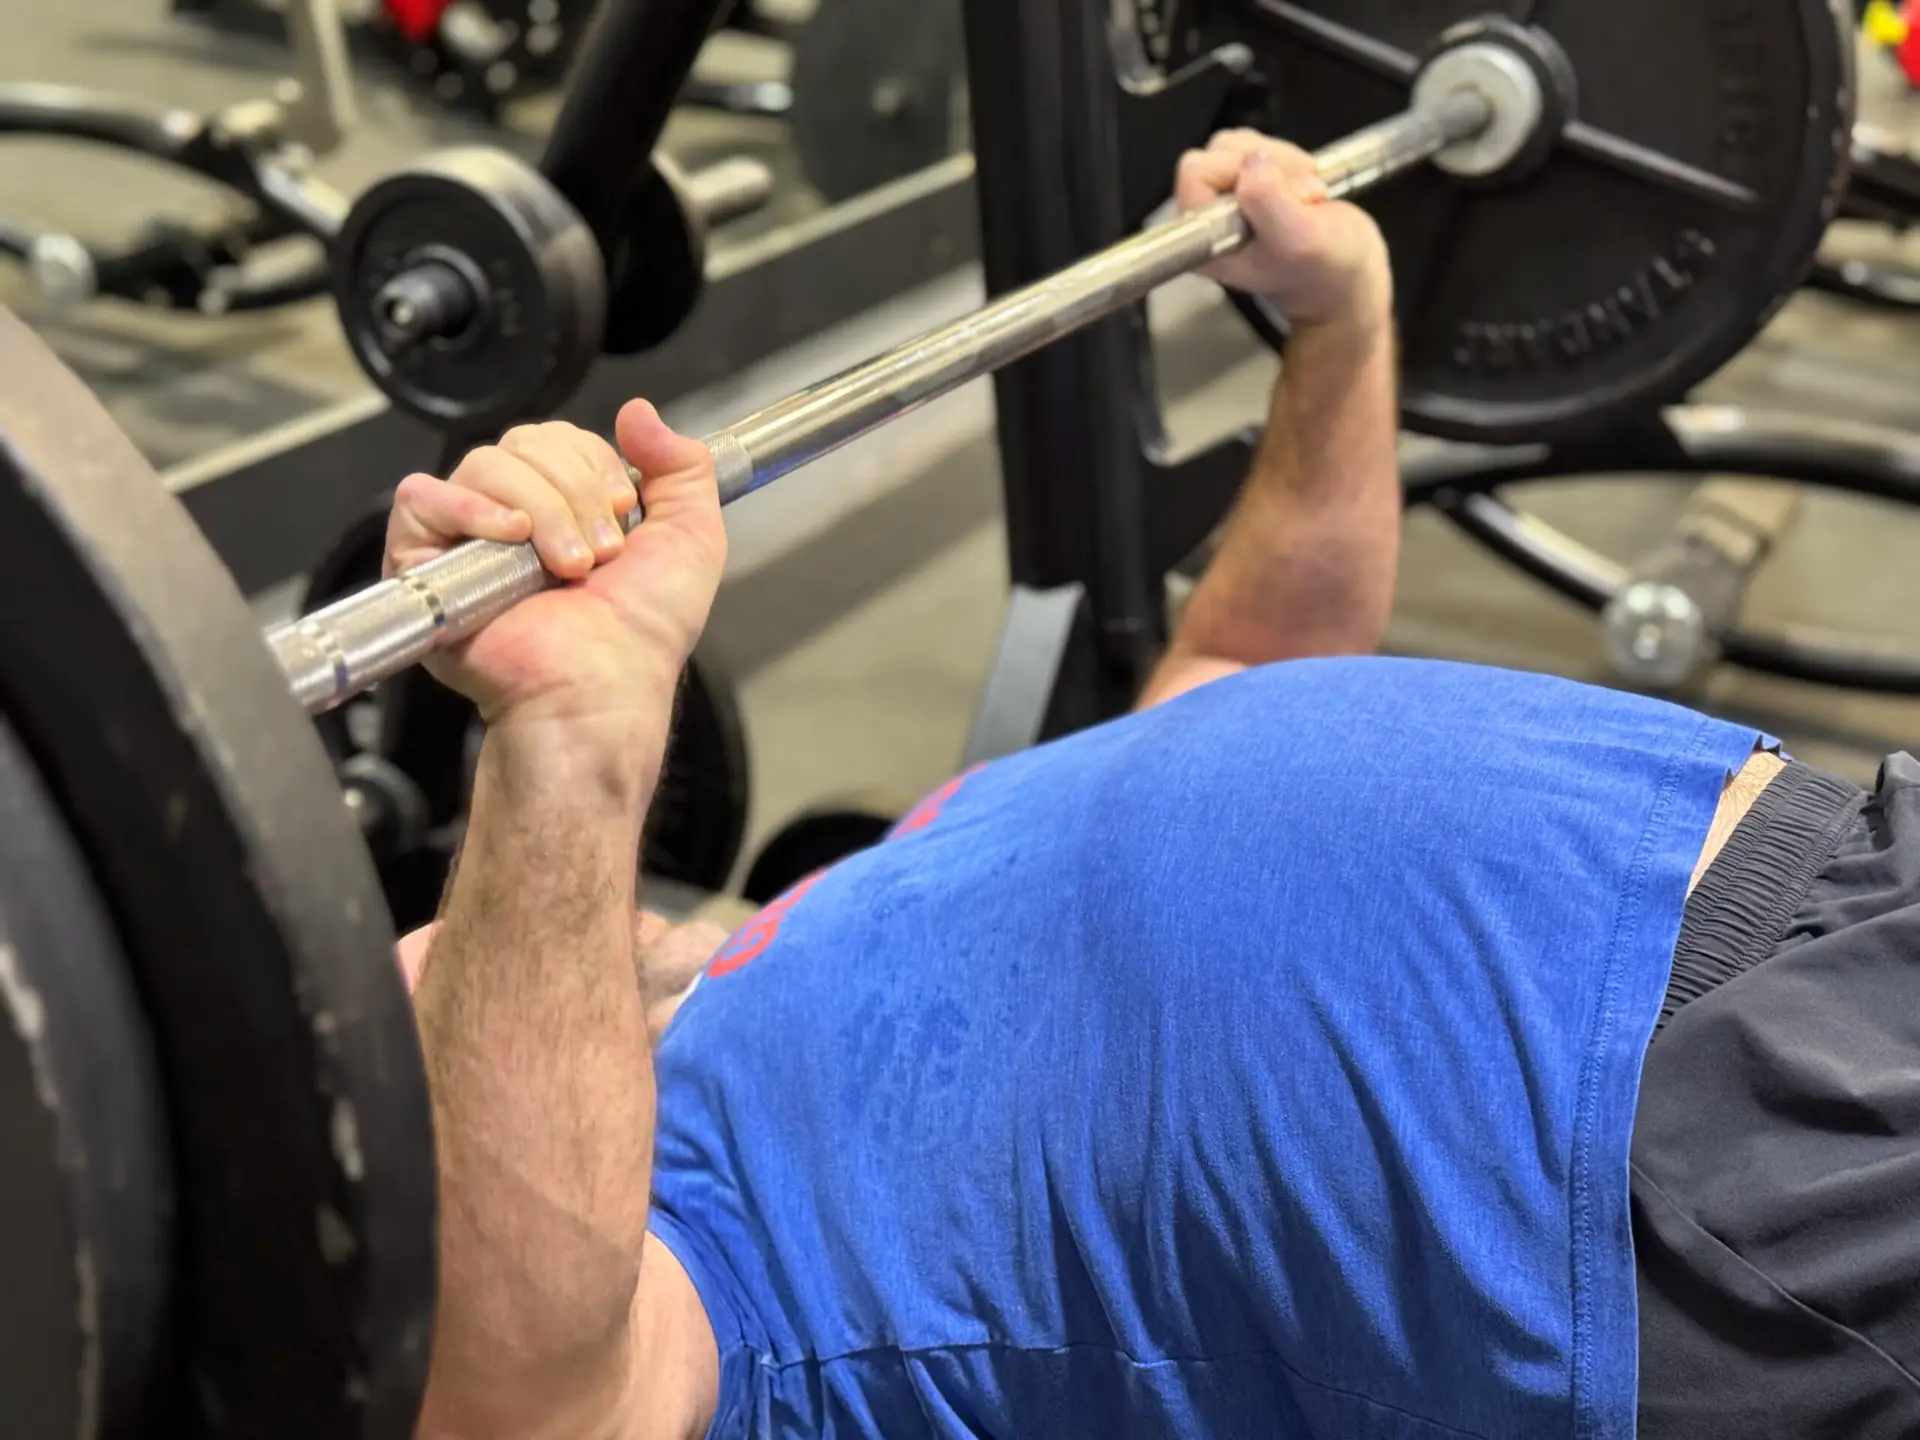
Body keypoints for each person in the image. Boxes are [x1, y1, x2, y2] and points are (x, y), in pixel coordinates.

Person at [387, 131, 1920, 1440]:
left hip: (1818, 876)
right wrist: (565, 746)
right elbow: (531, 1406)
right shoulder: (696, 1259)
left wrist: (1342, 326)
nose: (382, 953)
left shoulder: (805, 934)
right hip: (1689, 1160)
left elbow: (1243, 672)